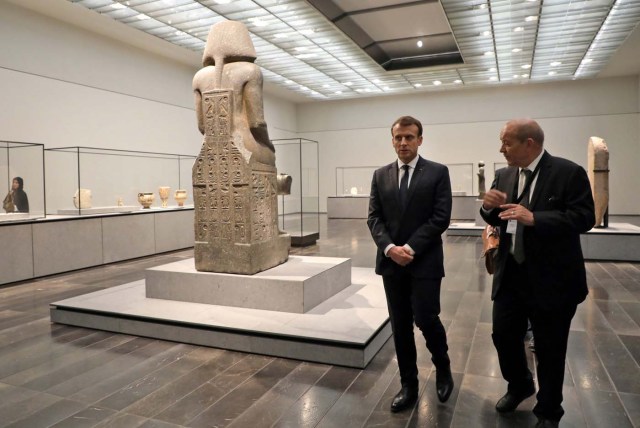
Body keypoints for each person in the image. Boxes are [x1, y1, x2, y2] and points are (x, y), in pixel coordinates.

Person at [480, 118, 595, 428]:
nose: (501, 148)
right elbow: (495, 216)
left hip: (552, 280)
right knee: (503, 336)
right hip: (511, 275)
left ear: (529, 143)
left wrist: (535, 218)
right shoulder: (503, 175)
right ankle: (520, 384)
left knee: (550, 348)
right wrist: (488, 207)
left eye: (506, 142)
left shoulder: (568, 172)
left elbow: (585, 217)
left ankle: (548, 411)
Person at [368, 115, 454, 412]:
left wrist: (411, 247)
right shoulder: (381, 175)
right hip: (392, 263)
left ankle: (442, 368)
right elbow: (374, 217)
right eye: (398, 138)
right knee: (400, 325)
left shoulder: (437, 173)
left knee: (427, 318)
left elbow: (440, 217)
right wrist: (391, 248)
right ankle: (409, 384)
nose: (403, 142)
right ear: (392, 140)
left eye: (409, 137)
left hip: (425, 260)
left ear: (420, 139)